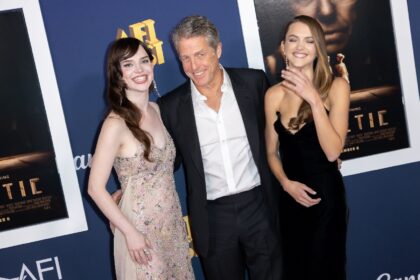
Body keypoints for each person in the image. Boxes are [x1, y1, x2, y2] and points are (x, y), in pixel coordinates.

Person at [157, 15, 283, 280]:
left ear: (218, 50)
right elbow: (168, 160)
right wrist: (131, 185)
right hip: (212, 219)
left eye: (200, 54)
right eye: (185, 58)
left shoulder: (254, 83)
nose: (193, 66)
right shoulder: (171, 107)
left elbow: (282, 131)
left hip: (259, 205)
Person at [87, 37, 194, 280]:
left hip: (172, 224)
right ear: (118, 74)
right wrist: (129, 232)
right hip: (139, 231)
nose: (139, 70)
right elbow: (95, 188)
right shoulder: (115, 123)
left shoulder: (157, 110)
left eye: (144, 61)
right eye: (128, 64)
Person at [264, 15, 349, 280]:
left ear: (318, 49)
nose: (300, 46)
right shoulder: (273, 95)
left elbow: (333, 151)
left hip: (326, 201)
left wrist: (313, 98)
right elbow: (270, 151)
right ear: (283, 47)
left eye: (309, 41)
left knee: (326, 270)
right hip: (291, 201)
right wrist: (286, 184)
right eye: (293, 39)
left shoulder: (337, 87)